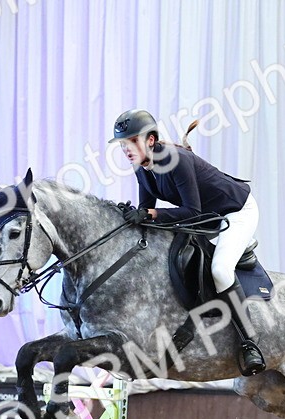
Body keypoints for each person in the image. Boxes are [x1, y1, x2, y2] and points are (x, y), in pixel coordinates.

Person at [109, 109, 265, 376]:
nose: (126, 149)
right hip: (208, 217)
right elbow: (147, 210)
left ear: (150, 140)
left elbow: (191, 211)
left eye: (132, 141)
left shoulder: (177, 161)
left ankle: (249, 343)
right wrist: (132, 216)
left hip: (236, 212)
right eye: (123, 144)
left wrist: (151, 214)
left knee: (220, 271)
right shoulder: (141, 168)